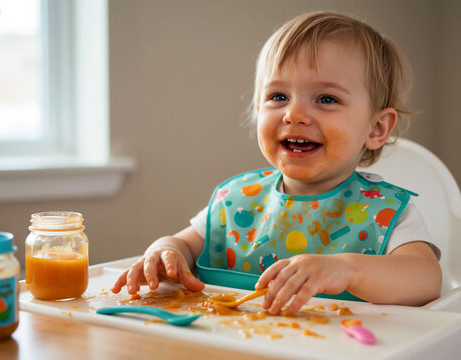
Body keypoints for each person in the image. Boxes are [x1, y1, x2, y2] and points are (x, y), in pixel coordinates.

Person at [112, 11, 442, 314]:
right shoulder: (238, 200)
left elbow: (426, 277)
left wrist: (348, 270)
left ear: (376, 128)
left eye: (326, 99)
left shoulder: (384, 212)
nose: (294, 114)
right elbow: (183, 245)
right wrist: (165, 250)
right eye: (278, 97)